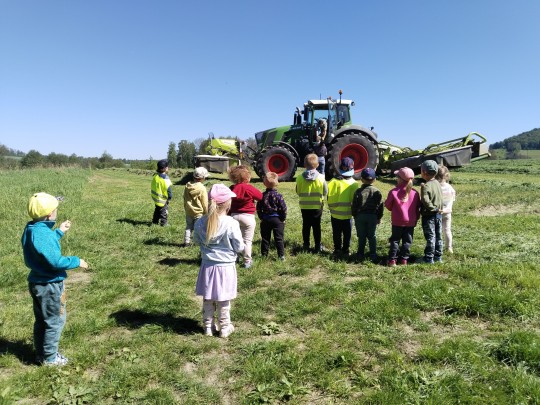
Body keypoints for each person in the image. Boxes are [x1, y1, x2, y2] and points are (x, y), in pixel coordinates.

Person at [21, 193, 89, 366]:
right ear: (50, 214)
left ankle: (41, 353)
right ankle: (50, 358)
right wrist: (76, 261)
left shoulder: (32, 229)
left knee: (42, 320)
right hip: (49, 285)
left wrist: (59, 231)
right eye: (56, 209)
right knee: (55, 321)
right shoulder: (43, 234)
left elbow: (43, 247)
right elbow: (55, 260)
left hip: (37, 282)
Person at [193, 184, 245, 338]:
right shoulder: (231, 223)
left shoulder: (200, 222)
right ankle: (224, 328)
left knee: (208, 298)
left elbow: (196, 240)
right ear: (228, 203)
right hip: (226, 268)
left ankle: (207, 327)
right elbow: (239, 246)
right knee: (224, 300)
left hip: (207, 266)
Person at [384, 167, 421, 266]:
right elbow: (418, 208)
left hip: (397, 221)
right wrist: (416, 218)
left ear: (400, 179)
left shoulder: (393, 192)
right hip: (410, 222)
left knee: (395, 240)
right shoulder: (415, 193)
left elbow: (388, 206)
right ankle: (404, 260)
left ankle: (392, 260)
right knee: (407, 241)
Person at [228, 165, 263, 269]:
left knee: (234, 239)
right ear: (247, 178)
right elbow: (260, 196)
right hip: (248, 217)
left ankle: (235, 258)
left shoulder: (232, 188)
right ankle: (247, 261)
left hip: (234, 216)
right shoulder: (248, 188)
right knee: (247, 240)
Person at [327, 157, 359, 258]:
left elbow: (329, 197)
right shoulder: (354, 184)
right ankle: (346, 250)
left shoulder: (333, 181)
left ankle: (337, 249)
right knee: (347, 234)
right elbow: (355, 201)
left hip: (335, 214)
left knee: (336, 234)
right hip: (348, 215)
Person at [295, 153, 328, 252]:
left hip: (304, 206)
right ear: (318, 165)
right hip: (317, 206)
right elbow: (325, 192)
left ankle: (306, 244)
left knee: (306, 225)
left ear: (304, 165)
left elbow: (298, 191)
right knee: (316, 226)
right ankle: (318, 245)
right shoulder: (321, 177)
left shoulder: (299, 178)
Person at [351, 168, 384, 262]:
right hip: (372, 217)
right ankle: (373, 254)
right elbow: (380, 206)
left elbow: (354, 205)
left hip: (360, 216)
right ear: (374, 179)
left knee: (361, 236)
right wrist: (379, 217)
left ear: (361, 179)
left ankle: (360, 253)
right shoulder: (377, 191)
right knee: (372, 235)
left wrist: (354, 215)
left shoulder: (358, 191)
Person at [256, 172, 287, 260]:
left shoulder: (262, 196)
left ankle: (264, 255)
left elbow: (258, 208)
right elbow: (283, 208)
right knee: (279, 238)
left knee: (265, 238)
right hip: (277, 219)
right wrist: (283, 218)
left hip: (265, 219)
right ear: (277, 183)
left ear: (264, 183)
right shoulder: (278, 196)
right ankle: (281, 256)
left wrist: (261, 217)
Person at [420, 160, 444, 263]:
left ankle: (429, 258)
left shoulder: (426, 186)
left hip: (429, 215)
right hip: (439, 214)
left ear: (424, 172)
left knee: (430, 236)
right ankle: (438, 256)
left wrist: (432, 208)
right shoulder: (438, 183)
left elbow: (425, 200)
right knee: (438, 235)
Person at [183, 166, 209, 245]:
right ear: (203, 178)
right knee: (199, 228)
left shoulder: (187, 186)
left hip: (188, 211)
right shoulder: (202, 188)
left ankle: (186, 242)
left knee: (189, 227)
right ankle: (198, 242)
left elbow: (184, 197)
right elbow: (205, 202)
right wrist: (206, 212)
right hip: (198, 213)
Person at [436, 165, 456, 253]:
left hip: (437, 212)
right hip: (447, 212)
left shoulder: (435, 187)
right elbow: (453, 198)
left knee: (437, 231)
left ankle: (437, 248)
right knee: (447, 230)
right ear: (446, 175)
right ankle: (449, 248)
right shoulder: (450, 188)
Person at [151, 159, 172, 226]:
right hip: (163, 199)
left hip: (156, 198)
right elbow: (168, 190)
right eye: (167, 166)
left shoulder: (155, 176)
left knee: (157, 210)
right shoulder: (165, 178)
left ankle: (155, 221)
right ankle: (163, 223)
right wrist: (169, 197)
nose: (168, 167)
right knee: (164, 211)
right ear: (164, 168)